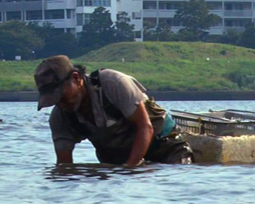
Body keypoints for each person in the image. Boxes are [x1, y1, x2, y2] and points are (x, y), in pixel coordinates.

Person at [34, 55, 193, 166]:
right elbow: (64, 167)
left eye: (61, 95)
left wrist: (131, 168)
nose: (60, 103)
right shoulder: (60, 118)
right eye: (54, 100)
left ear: (76, 78)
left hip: (165, 147)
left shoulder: (112, 83)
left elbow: (145, 127)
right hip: (119, 161)